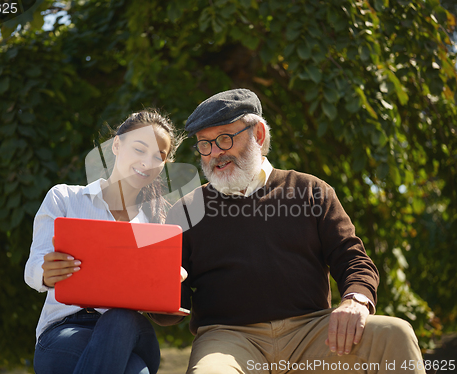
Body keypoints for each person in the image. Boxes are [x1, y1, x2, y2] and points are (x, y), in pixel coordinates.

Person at [150, 89, 427, 373]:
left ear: (257, 134)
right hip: (228, 339)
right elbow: (171, 311)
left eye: (224, 139)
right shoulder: (186, 210)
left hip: (313, 333)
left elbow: (353, 259)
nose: (214, 154)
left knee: (396, 333)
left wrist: (355, 301)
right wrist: (155, 287)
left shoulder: (311, 190)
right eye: (205, 145)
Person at [24, 109, 186, 374]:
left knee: (120, 317)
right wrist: (45, 271)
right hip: (63, 332)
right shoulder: (65, 198)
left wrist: (167, 283)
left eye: (159, 156)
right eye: (139, 149)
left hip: (133, 333)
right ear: (117, 145)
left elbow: (159, 306)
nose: (148, 161)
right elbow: (32, 270)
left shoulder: (155, 226)